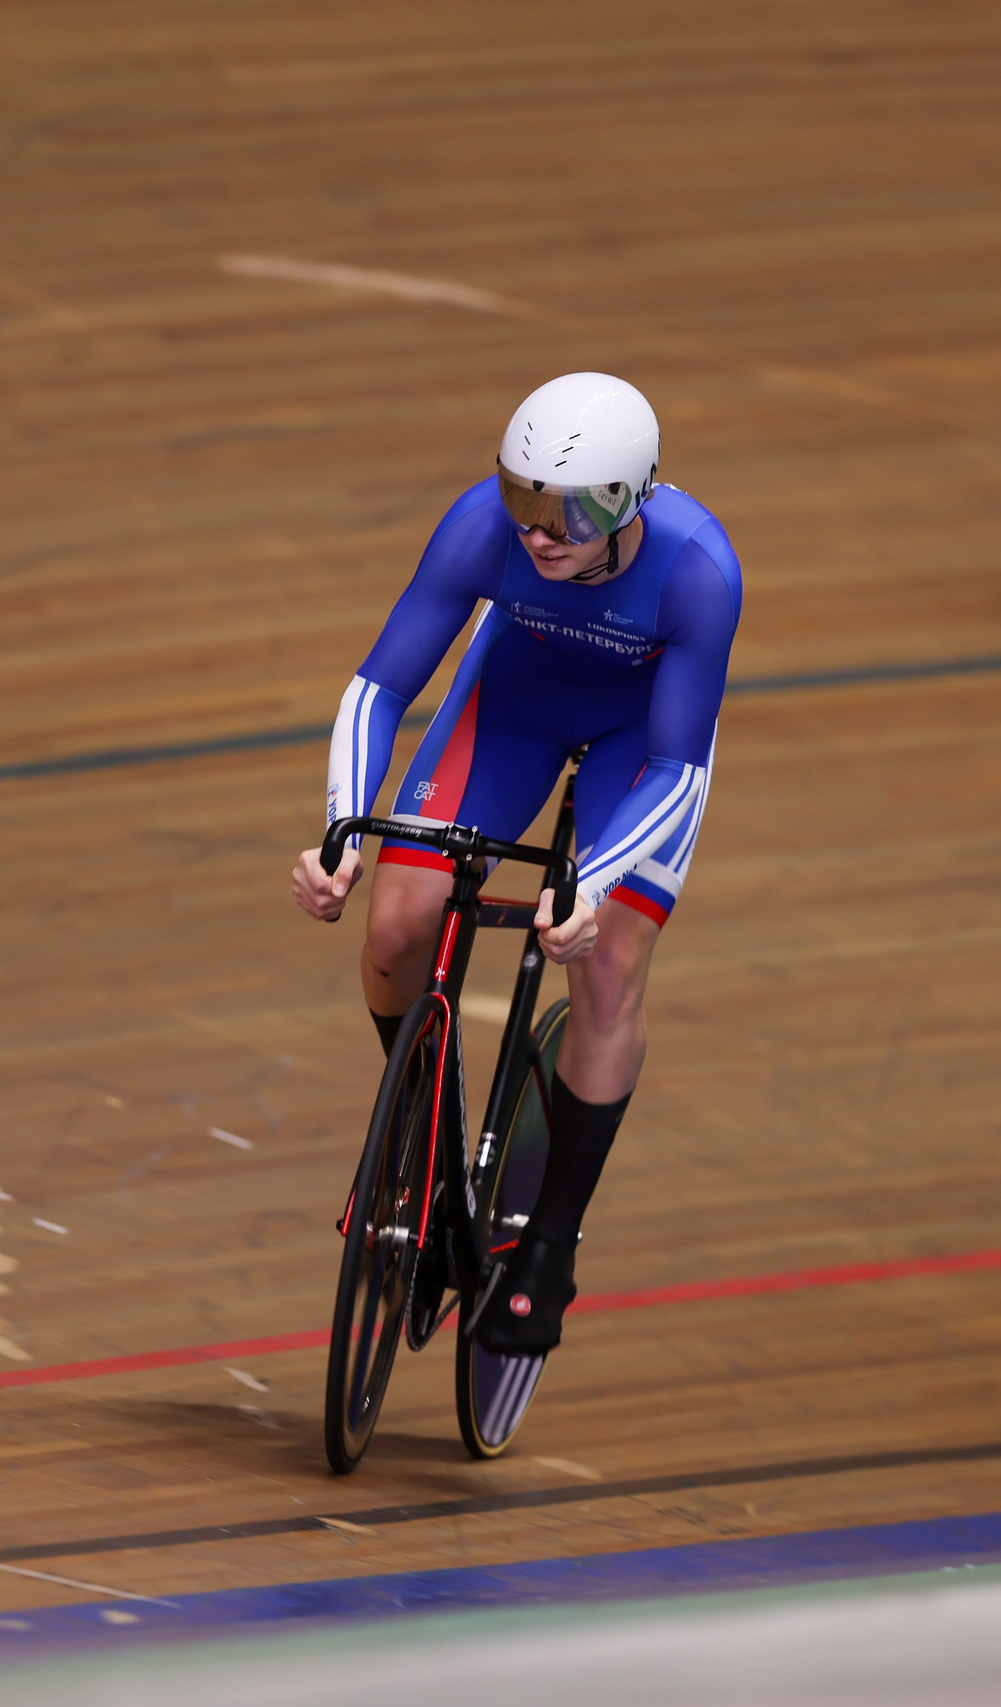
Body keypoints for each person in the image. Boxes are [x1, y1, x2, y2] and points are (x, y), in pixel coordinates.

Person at [291, 372, 742, 1358]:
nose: (540, 531)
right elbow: (381, 686)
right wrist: (343, 831)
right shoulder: (476, 527)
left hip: (639, 739)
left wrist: (586, 880)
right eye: (523, 498)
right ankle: (425, 1154)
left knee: (608, 966)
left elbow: (673, 767)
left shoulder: (698, 569)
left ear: (630, 500)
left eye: (570, 510)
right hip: (516, 704)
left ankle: (549, 1244)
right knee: (398, 931)